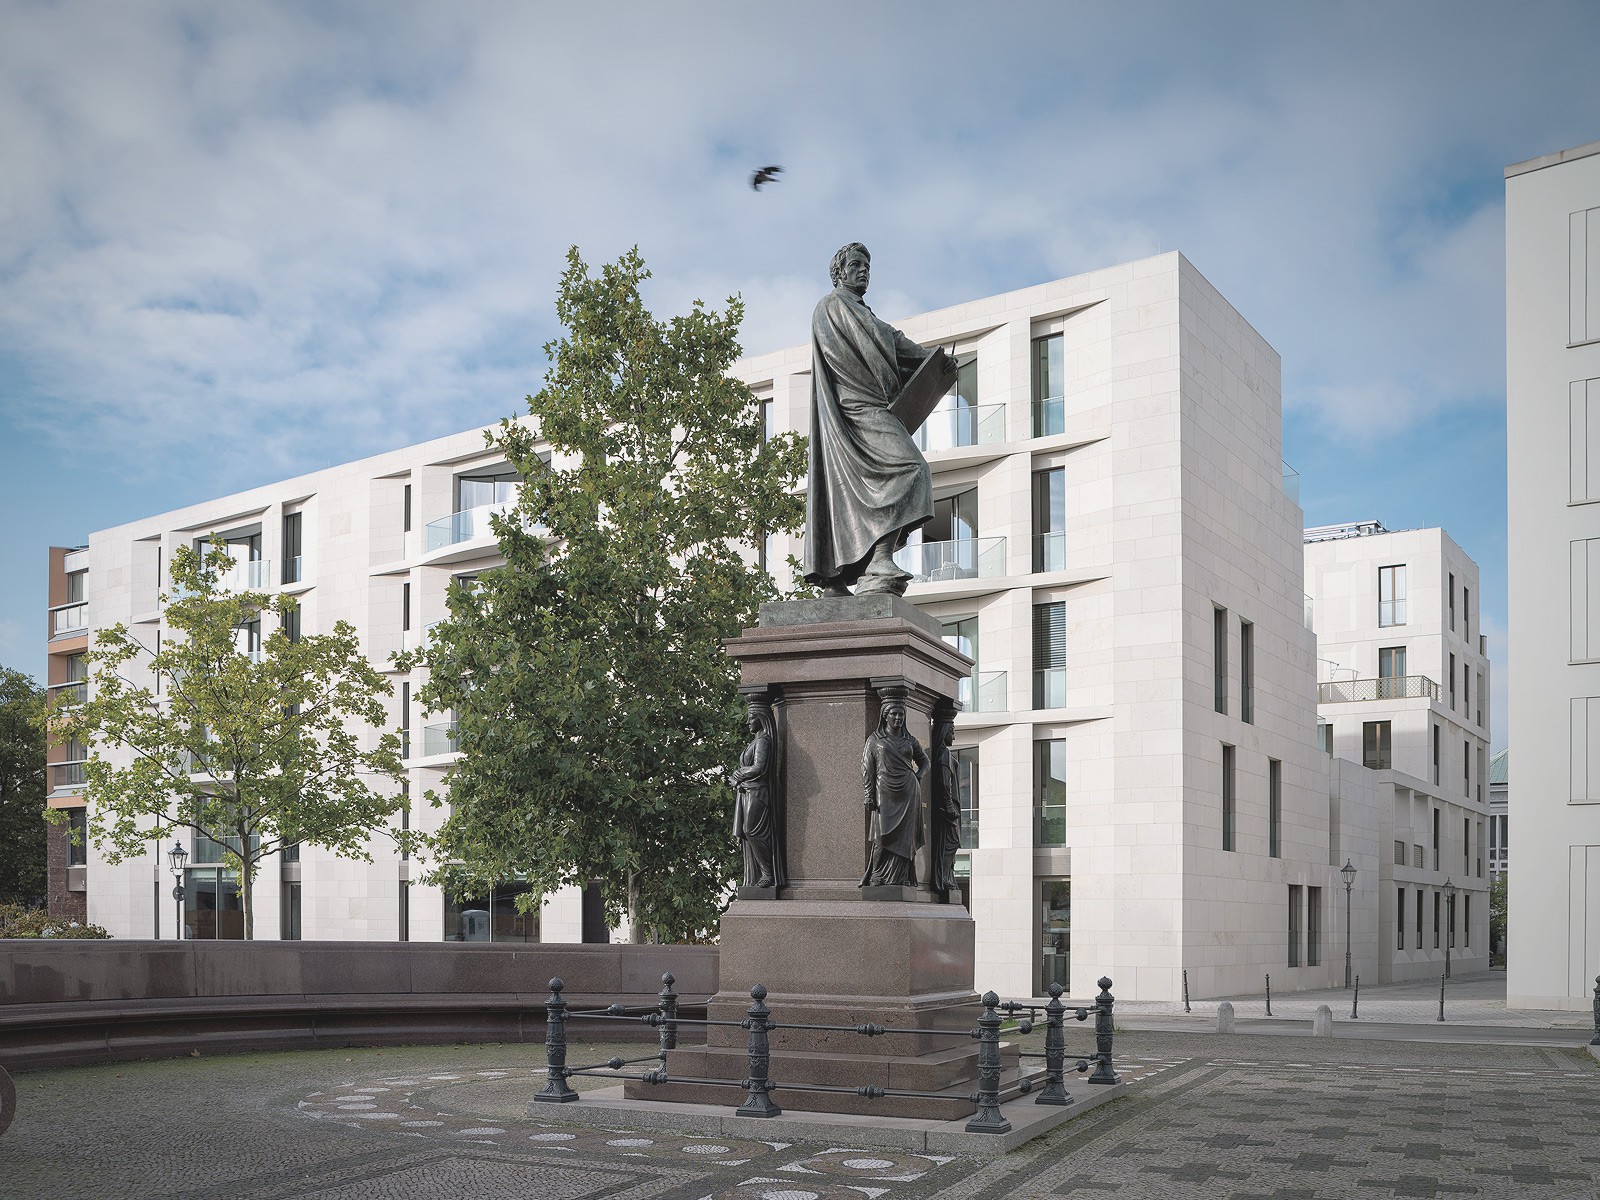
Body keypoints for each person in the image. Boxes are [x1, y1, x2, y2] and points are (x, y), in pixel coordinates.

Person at [804, 243, 942, 596]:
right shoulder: (833, 306)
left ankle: (862, 566)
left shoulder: (861, 310)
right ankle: (879, 558)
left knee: (881, 483)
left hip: (869, 406)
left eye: (867, 265)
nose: (864, 270)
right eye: (855, 264)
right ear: (839, 273)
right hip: (856, 409)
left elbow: (892, 340)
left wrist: (933, 361)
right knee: (913, 468)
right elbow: (883, 342)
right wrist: (919, 358)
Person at [861, 699, 928, 887]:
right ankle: (877, 874)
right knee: (881, 836)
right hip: (884, 791)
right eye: (894, 714)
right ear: (885, 716)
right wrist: (869, 794)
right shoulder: (875, 740)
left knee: (906, 838)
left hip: (908, 792)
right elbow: (867, 768)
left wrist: (917, 777)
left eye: (901, 714)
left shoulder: (910, 740)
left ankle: (902, 876)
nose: (898, 717)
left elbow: (925, 762)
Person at [731, 703, 783, 889]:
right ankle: (763, 872)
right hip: (748, 791)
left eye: (751, 717)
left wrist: (740, 774)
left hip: (758, 793)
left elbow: (759, 767)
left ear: (761, 718)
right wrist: (738, 776)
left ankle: (768, 873)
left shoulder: (764, 741)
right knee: (748, 831)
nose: (747, 722)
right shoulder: (756, 741)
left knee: (752, 831)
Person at [931, 719, 962, 895]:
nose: (954, 736)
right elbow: (944, 783)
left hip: (948, 809)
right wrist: (949, 805)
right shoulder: (943, 755)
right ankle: (943, 877)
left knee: (951, 842)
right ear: (944, 732)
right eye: (952, 732)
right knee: (951, 842)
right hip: (947, 811)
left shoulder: (944, 754)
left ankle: (946, 875)